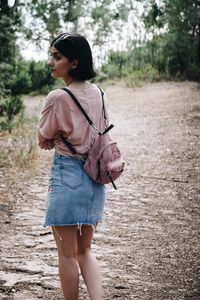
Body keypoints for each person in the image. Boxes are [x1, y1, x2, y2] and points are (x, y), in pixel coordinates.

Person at [38, 32, 108, 300]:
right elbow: (101, 132)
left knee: (67, 253)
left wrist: (52, 138)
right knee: (85, 250)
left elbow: (43, 137)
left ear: (74, 63)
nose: (50, 62)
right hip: (95, 177)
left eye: (57, 57)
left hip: (67, 174)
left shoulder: (57, 97)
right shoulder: (99, 93)